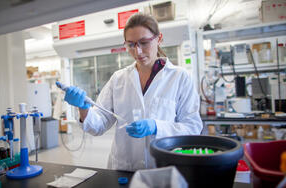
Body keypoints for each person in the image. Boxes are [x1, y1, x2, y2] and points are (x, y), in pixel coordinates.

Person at [63, 13, 202, 171]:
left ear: (159, 38)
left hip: (163, 169)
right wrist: (83, 107)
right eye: (131, 45)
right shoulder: (118, 79)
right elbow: (98, 125)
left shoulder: (180, 77)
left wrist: (156, 126)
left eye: (144, 43)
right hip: (124, 168)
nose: (138, 51)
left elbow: (192, 128)